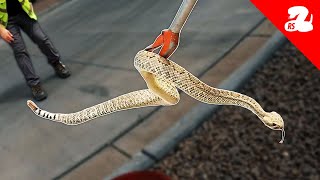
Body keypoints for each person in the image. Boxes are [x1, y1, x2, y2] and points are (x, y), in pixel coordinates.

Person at [0, 0, 70, 101]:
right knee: (20, 51)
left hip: (24, 13)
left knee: (41, 39)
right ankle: (35, 85)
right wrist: (1, 30)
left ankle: (56, 63)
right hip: (6, 22)